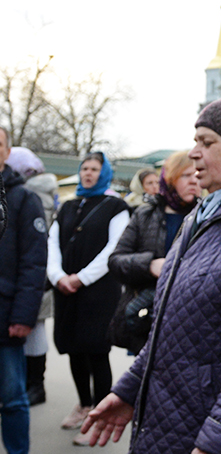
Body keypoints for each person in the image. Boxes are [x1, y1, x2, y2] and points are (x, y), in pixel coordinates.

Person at [81, 93, 221, 454]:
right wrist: (128, 391)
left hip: (208, 431)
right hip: (172, 417)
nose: (194, 152)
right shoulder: (203, 213)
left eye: (206, 142)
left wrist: (217, 442)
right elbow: (168, 327)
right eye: (195, 141)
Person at [46, 151, 130, 446]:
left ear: (103, 173)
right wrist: (58, 276)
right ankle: (83, 404)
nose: (88, 173)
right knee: (73, 348)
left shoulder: (116, 207)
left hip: (97, 291)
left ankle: (99, 411)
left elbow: (113, 248)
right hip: (66, 290)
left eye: (95, 169)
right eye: (85, 168)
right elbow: (52, 244)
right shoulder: (68, 206)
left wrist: (81, 278)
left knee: (96, 349)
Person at [108, 151, 201, 355]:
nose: (194, 181)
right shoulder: (145, 214)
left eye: (197, 174)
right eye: (186, 175)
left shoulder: (206, 216)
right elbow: (115, 261)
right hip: (147, 319)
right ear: (169, 180)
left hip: (191, 321)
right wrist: (150, 265)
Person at [0, 128, 47, 454]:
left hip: (5, 318)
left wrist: (23, 315)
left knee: (12, 397)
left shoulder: (23, 198)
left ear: (6, 151)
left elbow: (34, 263)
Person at [6, 147, 59, 406]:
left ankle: (34, 384)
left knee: (33, 329)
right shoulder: (44, 191)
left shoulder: (29, 195)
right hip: (38, 275)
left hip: (30, 277)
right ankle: (34, 384)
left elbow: (31, 247)